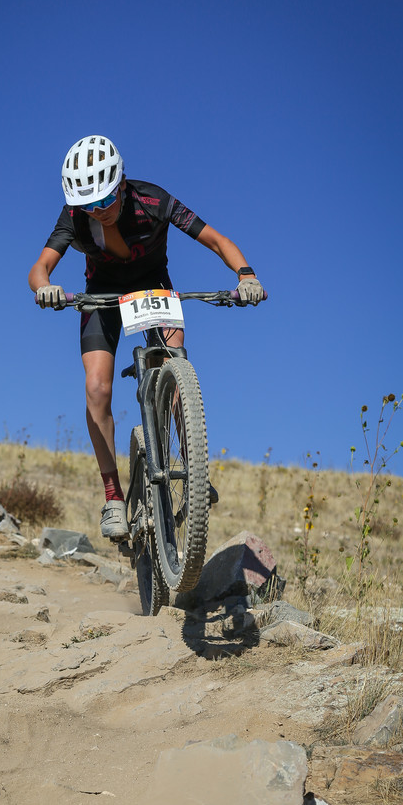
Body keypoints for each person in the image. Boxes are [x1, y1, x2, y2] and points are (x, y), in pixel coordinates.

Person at [28, 135, 264, 539]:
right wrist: (44, 288)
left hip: (154, 288)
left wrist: (246, 275)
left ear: (121, 184)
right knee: (97, 388)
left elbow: (216, 240)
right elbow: (40, 268)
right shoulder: (75, 215)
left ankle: (193, 470)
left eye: (105, 200)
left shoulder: (153, 201)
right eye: (89, 205)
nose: (98, 211)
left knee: (176, 366)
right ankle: (113, 498)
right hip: (101, 294)